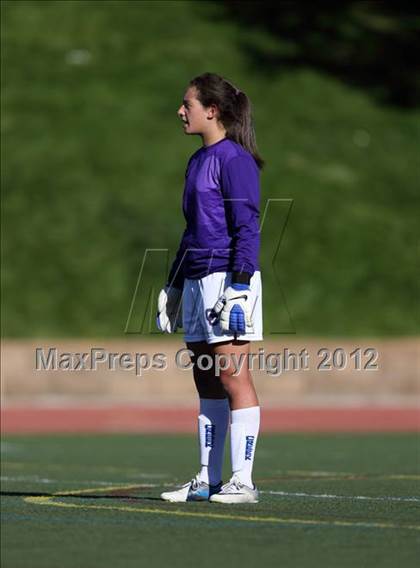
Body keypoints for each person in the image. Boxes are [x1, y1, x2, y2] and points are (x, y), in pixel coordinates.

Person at [157, 72, 264, 504]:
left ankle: (243, 480)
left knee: (234, 375)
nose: (181, 111)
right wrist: (175, 284)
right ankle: (206, 477)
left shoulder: (234, 159)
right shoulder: (196, 160)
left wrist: (239, 285)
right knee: (207, 379)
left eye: (188, 104)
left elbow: (247, 226)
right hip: (199, 277)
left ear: (212, 110)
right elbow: (191, 230)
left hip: (228, 278)